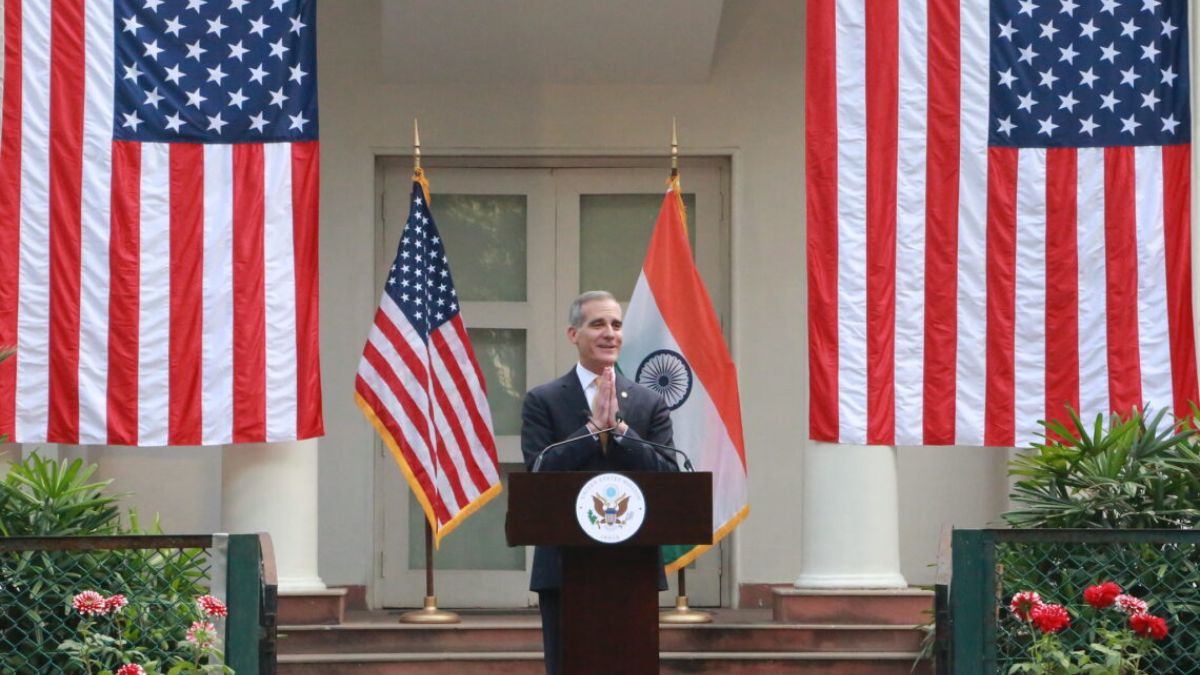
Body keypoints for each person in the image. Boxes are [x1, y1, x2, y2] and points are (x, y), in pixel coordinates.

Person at [520, 290, 678, 675]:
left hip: (633, 564)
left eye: (616, 325)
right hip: (565, 565)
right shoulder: (544, 400)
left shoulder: (647, 403)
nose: (610, 333)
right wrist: (592, 429)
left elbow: (668, 475)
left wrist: (620, 431)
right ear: (573, 334)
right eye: (598, 324)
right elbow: (539, 473)